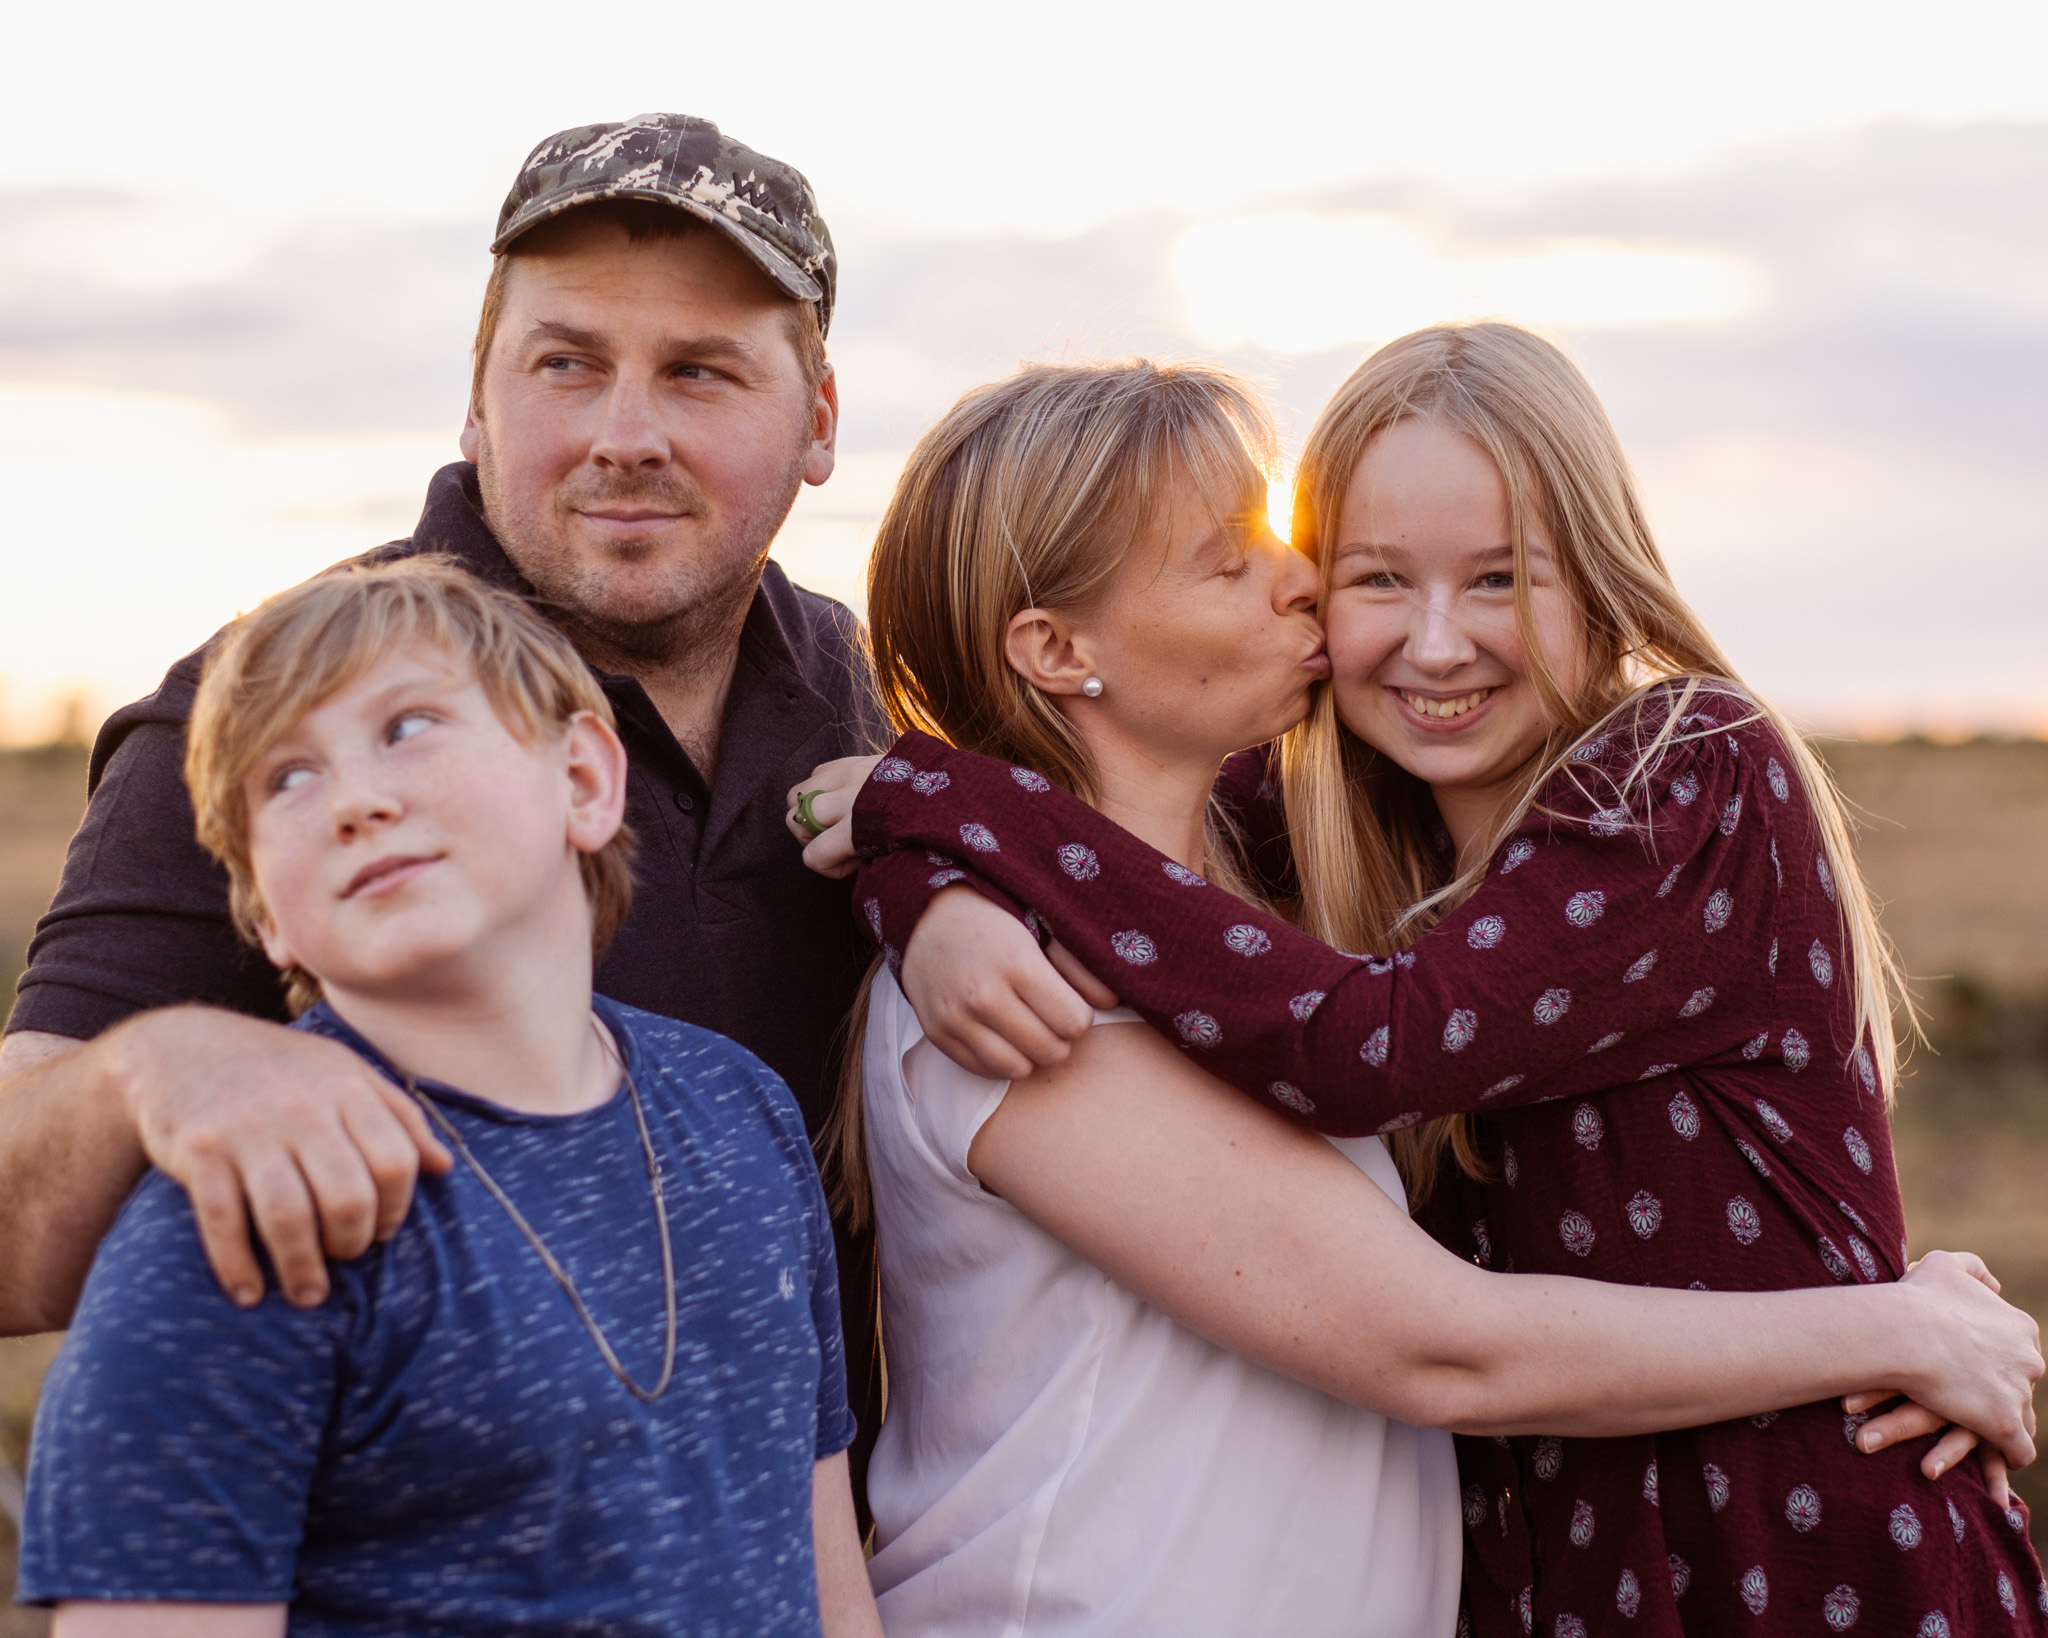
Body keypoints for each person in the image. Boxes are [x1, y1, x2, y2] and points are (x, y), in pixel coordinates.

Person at [786, 357, 2044, 1637]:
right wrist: (926, 865)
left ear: (1595, 574)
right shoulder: (1107, 942)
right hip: (1544, 1563)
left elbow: (1332, 1019)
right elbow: (1423, 1292)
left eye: (1497, 575)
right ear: (1056, 649)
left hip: (1784, 1543)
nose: (1367, 617)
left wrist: (925, 814)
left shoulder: (1674, 775)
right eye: (1364, 573)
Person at [0, 114, 888, 1500]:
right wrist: (156, 1070)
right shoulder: (267, 718)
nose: (625, 435)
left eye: (701, 372)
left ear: (819, 419)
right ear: (477, 400)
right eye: (566, 365)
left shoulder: (867, 687)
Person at [15, 560, 884, 1638]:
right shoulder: (252, 1214)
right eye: (284, 780)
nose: (354, 800)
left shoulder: (739, 1109)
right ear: (265, 918)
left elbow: (822, 1570)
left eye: (409, 725)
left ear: (581, 779)